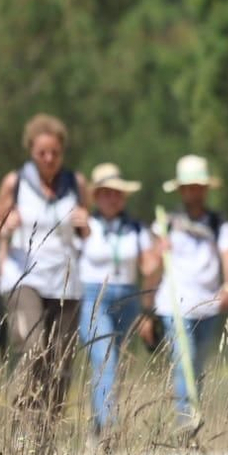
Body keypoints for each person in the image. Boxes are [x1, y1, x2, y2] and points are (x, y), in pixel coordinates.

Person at [0, 114, 90, 426]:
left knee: (60, 359)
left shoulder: (76, 184)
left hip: (66, 281)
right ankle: (22, 418)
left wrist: (85, 226)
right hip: (25, 276)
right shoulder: (15, 183)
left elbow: (87, 230)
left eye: (55, 153)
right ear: (31, 152)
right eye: (41, 153)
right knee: (34, 347)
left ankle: (46, 428)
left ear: (63, 151)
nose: (49, 159)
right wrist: (5, 225)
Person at [144, 156, 228, 431]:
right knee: (183, 360)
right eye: (188, 187)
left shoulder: (219, 223)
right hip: (173, 305)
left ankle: (190, 415)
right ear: (181, 191)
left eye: (198, 186)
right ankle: (187, 422)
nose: (193, 192)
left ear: (205, 189)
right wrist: (158, 254)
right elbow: (148, 268)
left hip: (208, 305)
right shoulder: (166, 223)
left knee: (196, 365)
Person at [78, 163, 150, 435]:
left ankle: (97, 425)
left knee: (114, 361)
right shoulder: (85, 226)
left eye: (117, 193)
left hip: (129, 296)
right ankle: (109, 427)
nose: (112, 198)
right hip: (93, 298)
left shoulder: (137, 228)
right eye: (106, 193)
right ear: (96, 196)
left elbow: (148, 267)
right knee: (104, 356)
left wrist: (157, 257)